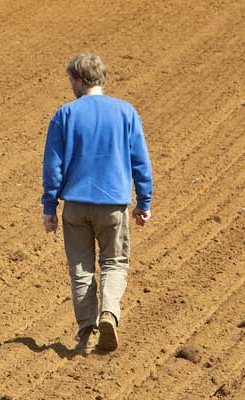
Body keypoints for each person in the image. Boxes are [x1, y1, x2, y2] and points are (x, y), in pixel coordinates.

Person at [41, 52, 153, 354]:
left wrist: (49, 207)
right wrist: (144, 201)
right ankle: (109, 314)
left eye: (71, 81)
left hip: (75, 206)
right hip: (113, 204)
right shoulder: (125, 112)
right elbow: (140, 161)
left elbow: (53, 167)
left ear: (78, 79)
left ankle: (86, 329)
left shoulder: (64, 114)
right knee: (114, 263)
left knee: (81, 268)